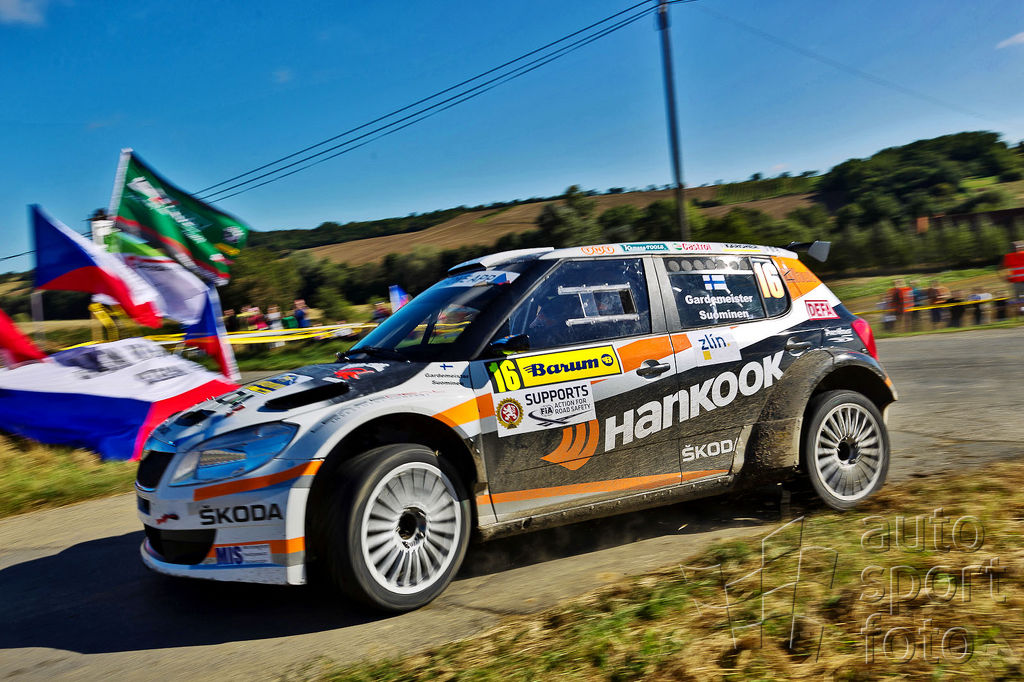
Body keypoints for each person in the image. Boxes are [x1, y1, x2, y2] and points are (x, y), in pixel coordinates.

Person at [1002, 241, 1024, 316]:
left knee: (1019, 297)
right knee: (1018, 298)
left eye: (1020, 247)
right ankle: (1021, 311)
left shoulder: (1010, 256)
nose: (1018, 248)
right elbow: (1008, 269)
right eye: (1017, 247)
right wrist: (1008, 277)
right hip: (1016, 282)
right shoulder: (1009, 257)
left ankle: (1021, 310)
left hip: (1018, 281)